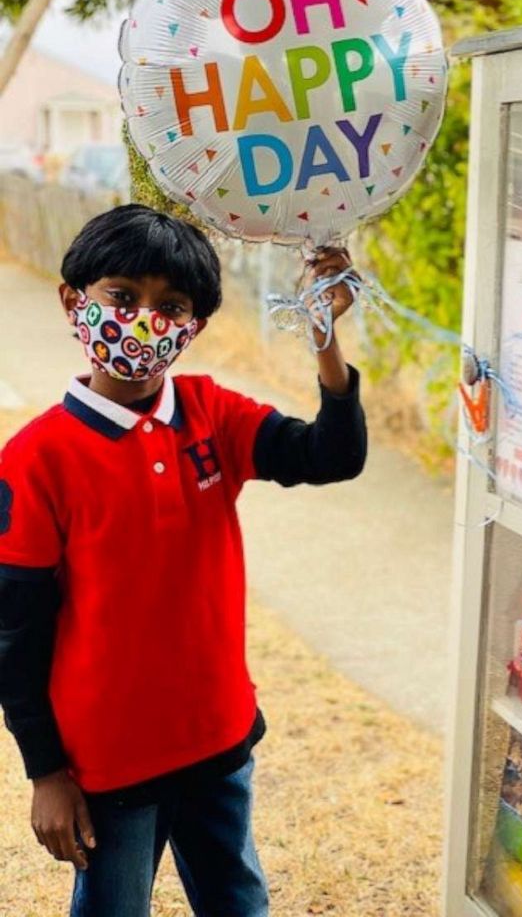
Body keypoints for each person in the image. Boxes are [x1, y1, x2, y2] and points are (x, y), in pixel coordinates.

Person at [0, 204, 367, 916]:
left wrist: (325, 338)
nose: (144, 319)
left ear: (193, 326)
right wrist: (45, 771)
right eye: (123, 296)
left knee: (238, 899)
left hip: (218, 734)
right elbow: (13, 636)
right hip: (108, 761)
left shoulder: (212, 415)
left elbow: (333, 455)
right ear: (75, 300)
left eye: (171, 306)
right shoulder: (33, 461)